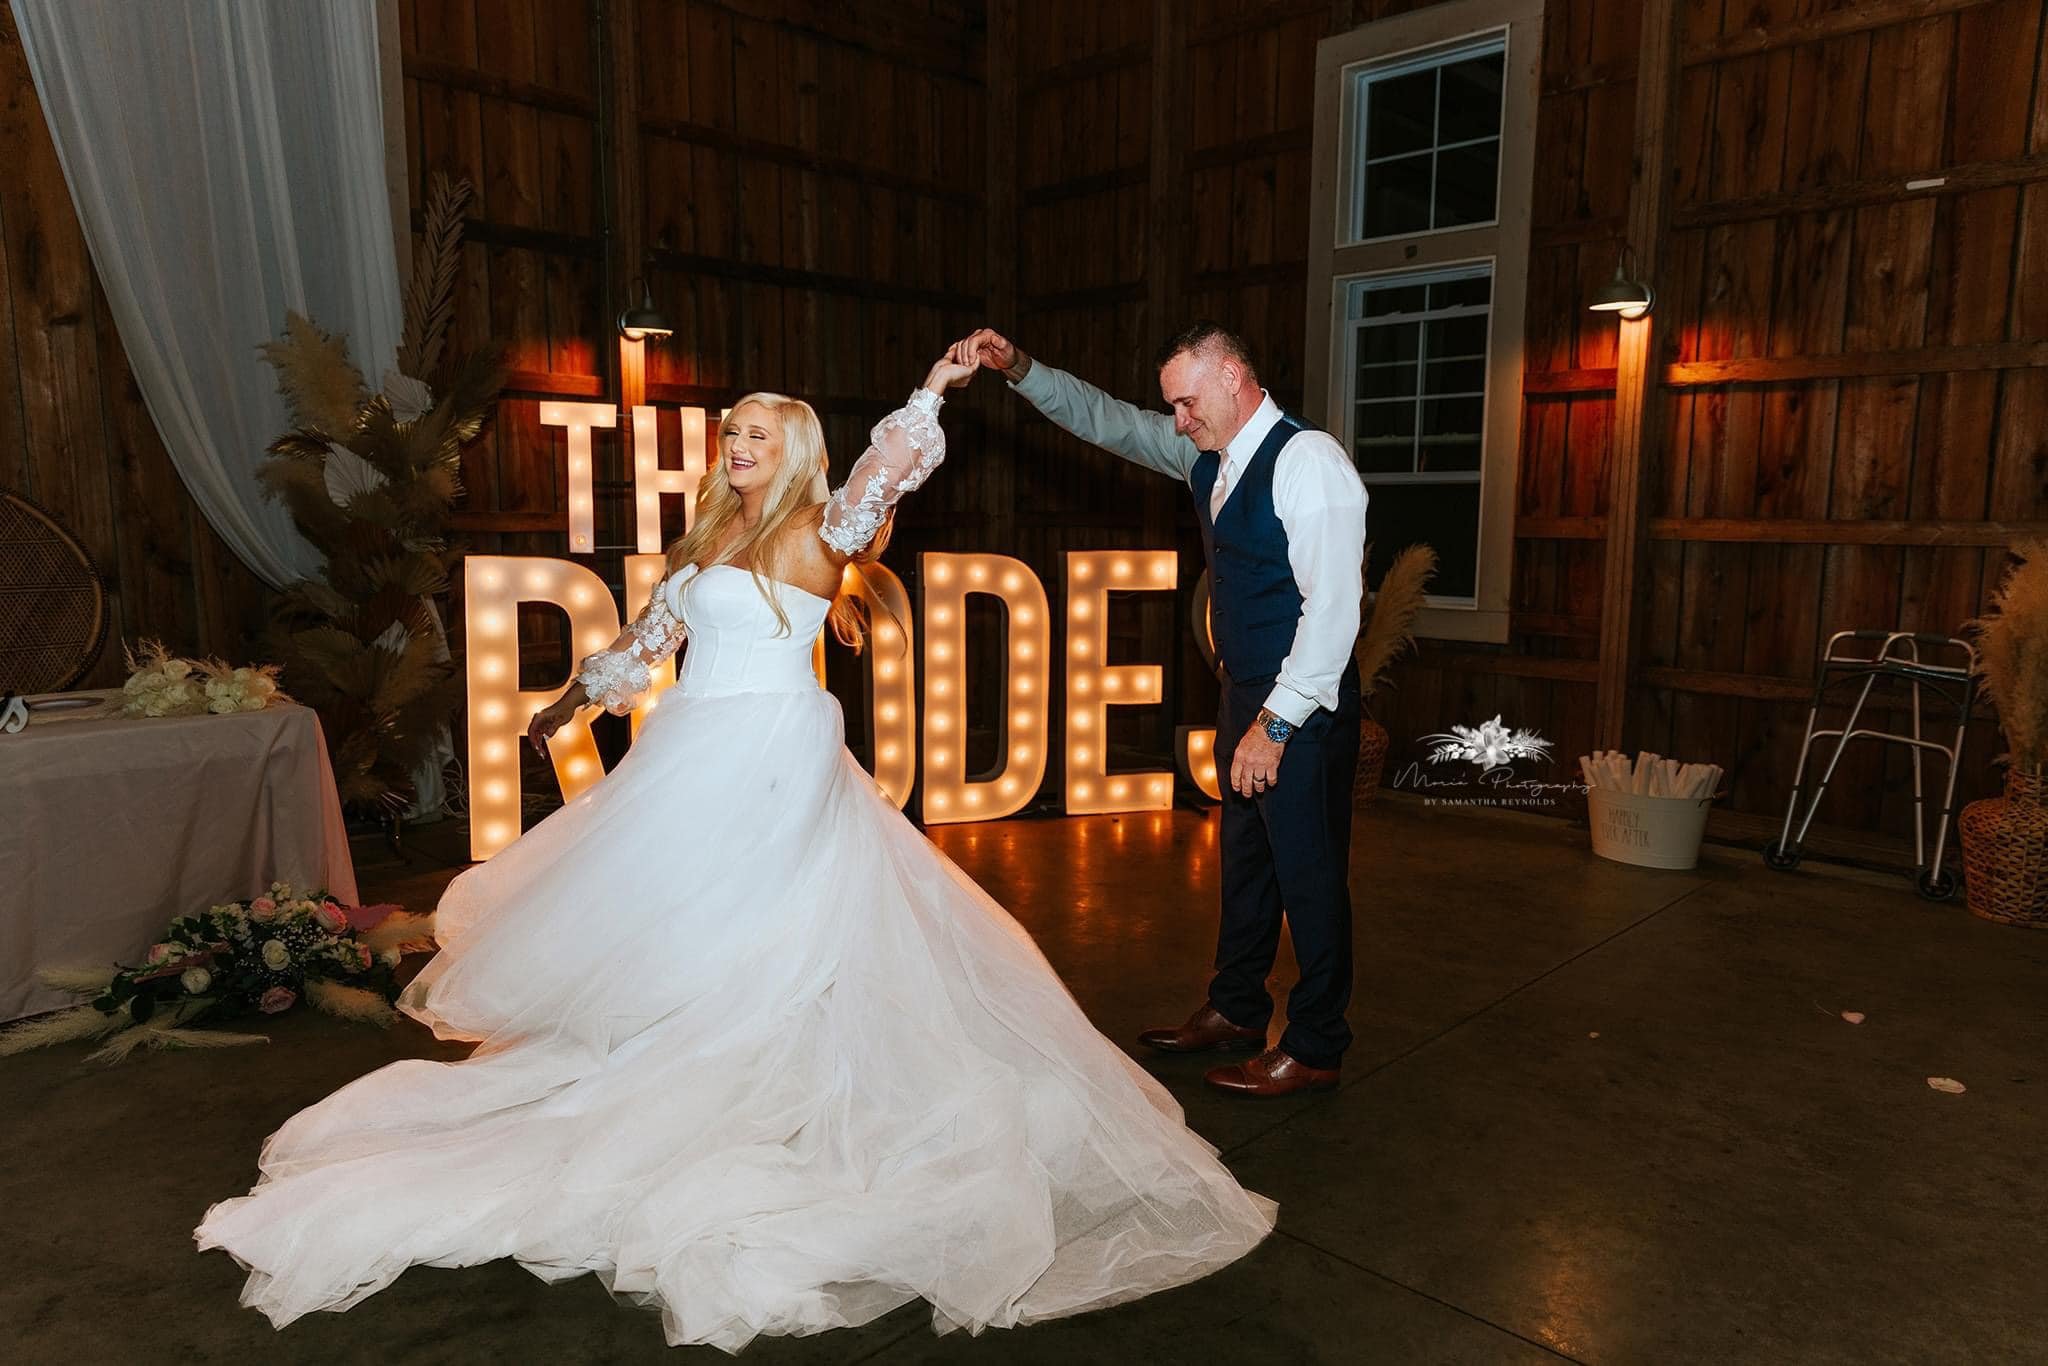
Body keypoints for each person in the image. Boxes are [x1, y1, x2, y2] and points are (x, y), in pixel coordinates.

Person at [194, 354, 1275, 1353]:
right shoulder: (708, 537)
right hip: (690, 750)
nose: (737, 441)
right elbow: (648, 639)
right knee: (678, 924)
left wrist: (933, 392)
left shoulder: (820, 529)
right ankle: (670, 1067)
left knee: (772, 927)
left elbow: (880, 479)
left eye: (759, 430)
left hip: (776, 751)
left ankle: (756, 1088)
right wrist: (568, 703)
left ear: (794, 450)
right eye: (733, 429)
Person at [953, 323, 1367, 1099]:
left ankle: (1316, 1044)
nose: (1176, 419)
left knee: (1309, 876)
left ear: (1235, 378)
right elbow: (1106, 419)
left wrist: (1275, 725)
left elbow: (1336, 612)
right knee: (1246, 865)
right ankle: (1238, 1010)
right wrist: (1023, 370)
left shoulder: (1308, 463)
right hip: (1244, 693)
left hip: (1299, 708)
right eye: (1172, 406)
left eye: (1187, 401)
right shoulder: (1205, 455)